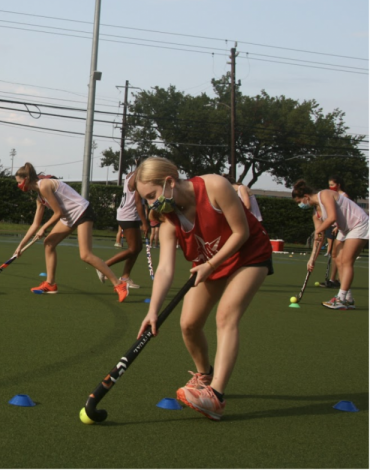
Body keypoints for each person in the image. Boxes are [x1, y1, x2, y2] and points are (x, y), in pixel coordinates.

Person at [135, 157, 273, 421]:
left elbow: (241, 233)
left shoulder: (214, 186)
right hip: (210, 263)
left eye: (152, 195)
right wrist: (153, 311)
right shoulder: (168, 218)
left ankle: (216, 397)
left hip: (249, 254)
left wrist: (210, 265)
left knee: (225, 316)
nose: (151, 204)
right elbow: (164, 269)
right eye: (146, 199)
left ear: (169, 181)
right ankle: (205, 377)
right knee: (188, 324)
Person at [13, 163, 129, 301]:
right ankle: (50, 284)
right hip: (69, 216)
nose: (18, 186)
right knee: (49, 243)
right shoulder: (39, 197)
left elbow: (57, 213)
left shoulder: (44, 185)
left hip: (82, 212)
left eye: (19, 182)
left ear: (26, 178)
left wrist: (44, 228)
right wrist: (19, 247)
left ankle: (119, 284)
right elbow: (35, 224)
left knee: (85, 255)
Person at [292, 179, 368, 309]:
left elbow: (332, 217)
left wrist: (319, 230)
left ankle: (341, 298)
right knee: (337, 259)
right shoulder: (316, 215)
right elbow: (318, 238)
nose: (300, 205)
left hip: (359, 224)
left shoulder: (325, 194)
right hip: (345, 229)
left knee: (346, 261)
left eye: (299, 202)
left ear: (305, 197)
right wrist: (312, 260)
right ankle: (348, 298)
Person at [104, 163, 149, 289]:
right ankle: (104, 266)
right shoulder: (138, 178)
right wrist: (145, 223)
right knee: (133, 249)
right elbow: (138, 202)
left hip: (127, 214)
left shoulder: (131, 175)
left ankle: (125, 277)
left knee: (137, 248)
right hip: (129, 215)